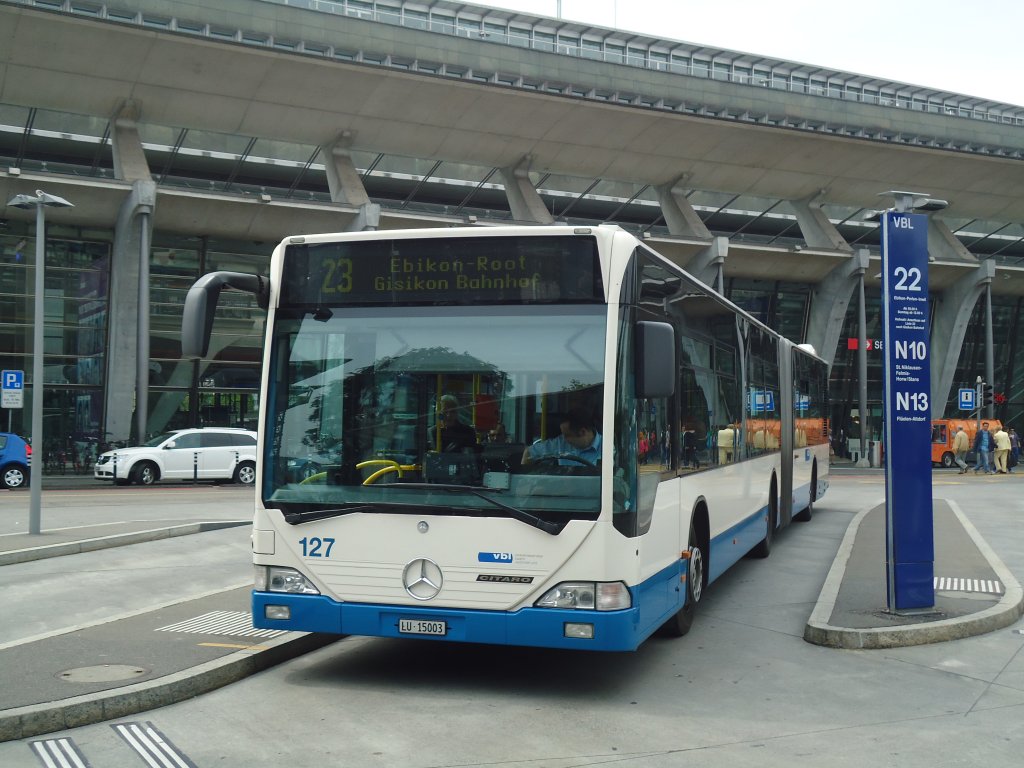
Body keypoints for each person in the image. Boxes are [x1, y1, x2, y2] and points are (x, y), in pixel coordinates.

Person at [522, 408, 601, 466]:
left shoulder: (607, 447)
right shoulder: (560, 443)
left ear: (582, 432)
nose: (563, 439)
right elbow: (529, 452)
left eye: (567, 435)